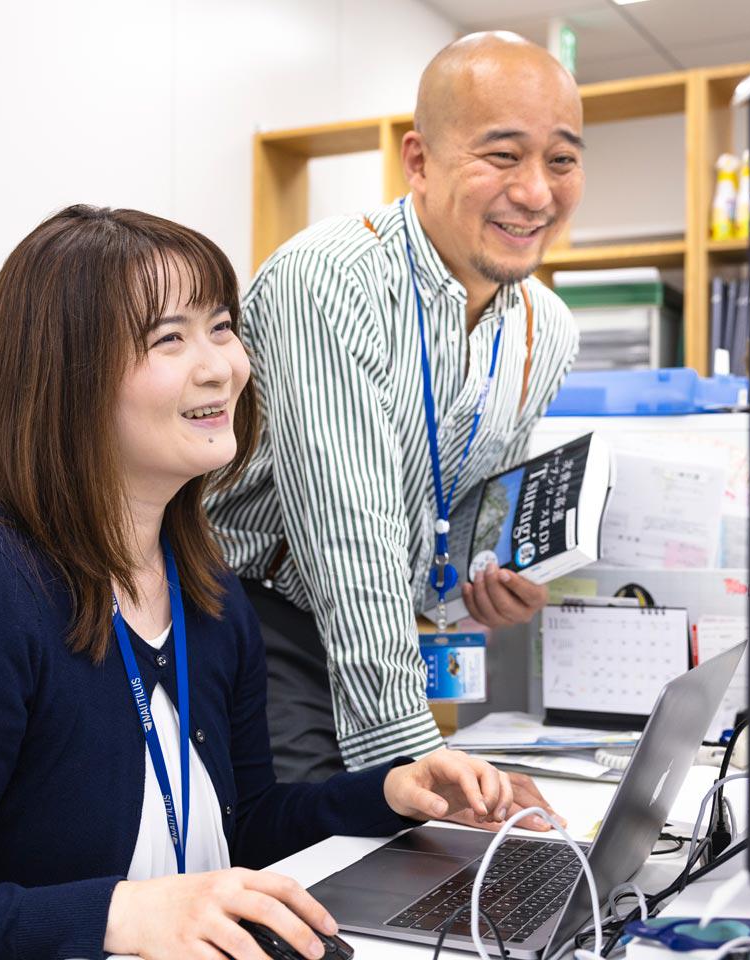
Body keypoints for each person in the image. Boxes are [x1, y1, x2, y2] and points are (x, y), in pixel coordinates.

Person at [0, 205, 536, 960]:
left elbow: (240, 823)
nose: (220, 365)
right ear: (67, 377)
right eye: (169, 338)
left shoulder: (203, 583)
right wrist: (118, 916)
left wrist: (389, 794)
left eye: (222, 327)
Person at [207, 32, 586, 783]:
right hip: (247, 615)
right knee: (323, 862)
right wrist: (411, 750)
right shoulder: (331, 279)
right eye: (503, 156)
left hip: (385, 633)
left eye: (563, 159)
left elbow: (461, 510)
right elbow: (352, 536)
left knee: (432, 847)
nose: (537, 192)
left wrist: (485, 578)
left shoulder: (547, 329)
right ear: (418, 161)